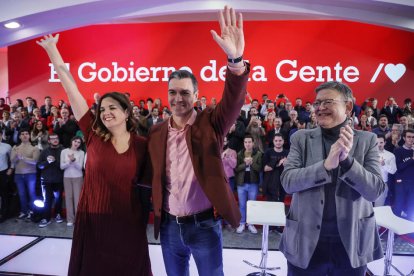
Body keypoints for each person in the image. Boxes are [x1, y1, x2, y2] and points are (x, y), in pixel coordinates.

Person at [37, 34, 151, 275]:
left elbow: (149, 184)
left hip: (128, 222)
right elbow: (71, 88)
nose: (106, 113)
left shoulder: (142, 144)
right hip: (93, 219)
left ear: (126, 112)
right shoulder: (92, 134)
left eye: (112, 108)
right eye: (102, 109)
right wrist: (52, 51)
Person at [147, 6, 246, 276]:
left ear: (197, 94)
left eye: (185, 93)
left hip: (203, 226)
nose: (178, 99)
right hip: (168, 226)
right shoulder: (156, 132)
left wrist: (235, 59)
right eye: (172, 92)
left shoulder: (211, 122)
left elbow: (234, 100)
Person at [280, 81, 385, 275]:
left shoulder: (366, 140)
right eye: (317, 103)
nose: (320, 107)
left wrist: (347, 162)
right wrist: (325, 166)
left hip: (352, 243)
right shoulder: (300, 138)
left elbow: (375, 190)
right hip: (304, 242)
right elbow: (288, 182)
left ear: (348, 106)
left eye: (328, 101)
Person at [234, 135, 262, 234]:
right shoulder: (239, 154)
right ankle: (242, 223)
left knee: (252, 205)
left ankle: (251, 224)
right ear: (244, 143)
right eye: (246, 142)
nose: (247, 144)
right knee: (242, 205)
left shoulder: (258, 154)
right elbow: (236, 169)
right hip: (241, 183)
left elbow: (259, 169)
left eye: (249, 142)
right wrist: (245, 164)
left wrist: (251, 163)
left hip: (253, 183)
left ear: (253, 143)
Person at [10, 128, 40, 220]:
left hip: (30, 174)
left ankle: (32, 211)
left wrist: (23, 158)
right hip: (18, 174)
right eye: (22, 134)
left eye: (26, 133)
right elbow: (12, 161)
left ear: (29, 136)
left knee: (32, 193)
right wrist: (16, 156)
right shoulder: (15, 147)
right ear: (19, 136)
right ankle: (24, 211)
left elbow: (35, 161)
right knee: (22, 194)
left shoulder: (35, 148)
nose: (25, 135)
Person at [37, 133, 64, 227]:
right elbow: (39, 166)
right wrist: (47, 162)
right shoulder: (44, 151)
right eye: (52, 139)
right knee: (47, 200)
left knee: (58, 199)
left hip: (58, 179)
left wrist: (55, 161)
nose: (55, 140)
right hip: (46, 180)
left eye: (56, 138)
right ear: (49, 141)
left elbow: (64, 166)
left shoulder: (63, 151)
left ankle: (58, 214)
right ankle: (46, 218)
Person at [60, 136, 85, 226]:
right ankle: (70, 219)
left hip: (78, 177)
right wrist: (69, 162)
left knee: (77, 199)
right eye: (75, 141)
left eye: (79, 142)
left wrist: (73, 160)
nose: (76, 143)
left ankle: (78, 219)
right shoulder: (64, 151)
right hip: (67, 177)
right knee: (68, 198)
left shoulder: (81, 153)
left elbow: (80, 167)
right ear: (71, 141)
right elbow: (61, 167)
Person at [393, 129, 414, 220]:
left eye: (413, 137)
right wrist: (412, 159)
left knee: (411, 207)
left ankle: (409, 232)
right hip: (401, 183)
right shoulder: (398, 150)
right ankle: (394, 232)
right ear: (404, 138)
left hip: (412, 183)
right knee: (398, 206)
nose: (411, 139)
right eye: (409, 137)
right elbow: (398, 167)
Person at [262, 133, 288, 202]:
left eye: (280, 140)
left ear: (283, 141)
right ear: (273, 141)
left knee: (281, 206)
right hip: (270, 183)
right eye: (276, 141)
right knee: (270, 207)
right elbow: (265, 168)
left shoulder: (287, 153)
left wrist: (287, 164)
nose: (278, 142)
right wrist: (278, 164)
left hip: (282, 184)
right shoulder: (268, 152)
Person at [375, 134, 397, 206]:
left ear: (385, 143)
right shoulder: (368, 154)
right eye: (376, 142)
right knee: (365, 208)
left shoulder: (390, 155)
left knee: (378, 207)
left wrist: (384, 165)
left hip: (382, 184)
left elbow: (393, 171)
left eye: (381, 142)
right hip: (368, 182)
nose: (379, 145)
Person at [0, 130, 12, 222]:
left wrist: (11, 168)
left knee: (4, 194)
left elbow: (12, 159)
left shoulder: (7, 146)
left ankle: (4, 214)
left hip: (3, 172)